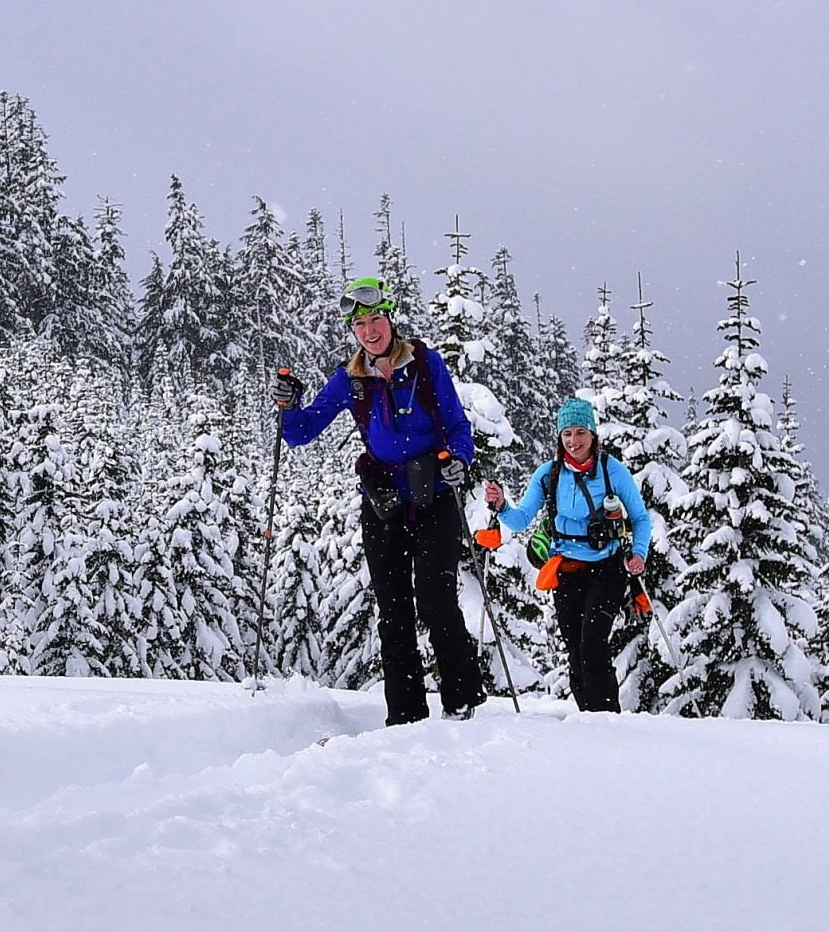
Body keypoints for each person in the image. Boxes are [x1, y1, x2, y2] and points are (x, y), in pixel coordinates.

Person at [274, 276, 489, 725]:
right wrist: (289, 407)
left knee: (435, 600)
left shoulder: (426, 366)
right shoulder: (350, 379)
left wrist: (460, 461)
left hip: (435, 498)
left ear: (389, 317)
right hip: (383, 504)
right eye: (360, 325)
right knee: (393, 613)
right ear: (353, 332)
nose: (370, 331)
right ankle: (405, 717)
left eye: (375, 319)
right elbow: (300, 432)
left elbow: (458, 426)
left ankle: (461, 701)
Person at [483, 397, 652, 715]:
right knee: (575, 649)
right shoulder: (548, 475)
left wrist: (638, 553)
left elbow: (641, 519)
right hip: (567, 570)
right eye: (567, 434)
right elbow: (520, 520)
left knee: (593, 646)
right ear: (559, 437)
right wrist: (502, 505)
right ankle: (587, 717)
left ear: (592, 434)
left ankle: (605, 720)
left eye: (580, 433)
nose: (573, 441)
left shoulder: (611, 470)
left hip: (607, 567)